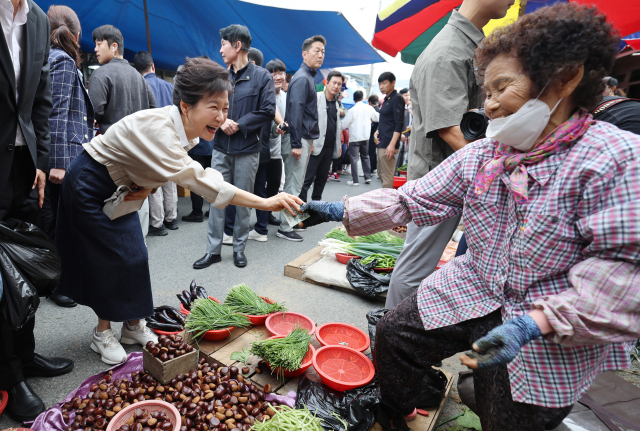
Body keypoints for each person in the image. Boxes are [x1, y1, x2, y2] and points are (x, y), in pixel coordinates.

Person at [300, 4, 640, 429]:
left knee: (507, 411)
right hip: (475, 285)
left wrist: (531, 325)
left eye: (502, 88)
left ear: (566, 78)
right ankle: (396, 409)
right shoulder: (485, 154)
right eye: (487, 92)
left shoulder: (615, 158)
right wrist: (337, 209)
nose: (491, 106)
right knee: (394, 333)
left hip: (548, 324)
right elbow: (414, 199)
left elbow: (623, 274)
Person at [55, 57, 301, 366]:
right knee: (110, 258)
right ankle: (102, 334)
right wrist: (264, 202)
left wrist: (149, 186)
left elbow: (168, 168)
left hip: (124, 188)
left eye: (225, 108)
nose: (221, 116)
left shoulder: (185, 129)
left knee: (136, 255)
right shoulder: (163, 130)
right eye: (213, 107)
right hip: (90, 184)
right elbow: (200, 181)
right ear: (186, 105)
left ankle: (133, 325)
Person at [386, 0, 511, 310]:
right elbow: (452, 130)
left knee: (420, 264)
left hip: (453, 180)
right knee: (416, 267)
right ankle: (390, 342)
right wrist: (499, 175)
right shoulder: (446, 53)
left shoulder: (470, 47)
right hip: (438, 183)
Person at [0, 0, 74, 421]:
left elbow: (40, 101)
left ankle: (24, 356)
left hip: (26, 169)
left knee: (25, 266)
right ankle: (9, 374)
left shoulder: (40, 20)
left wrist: (43, 162)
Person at [194, 25, 275, 269]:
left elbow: (268, 111)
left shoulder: (262, 76)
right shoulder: (219, 77)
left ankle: (239, 249)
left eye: (223, 44)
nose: (220, 50)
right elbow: (207, 105)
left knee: (242, 201)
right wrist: (222, 120)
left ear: (237, 45)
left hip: (248, 149)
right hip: (220, 148)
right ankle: (213, 251)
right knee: (216, 199)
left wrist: (239, 125)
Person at [39, 5, 95, 308]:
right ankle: (57, 284)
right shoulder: (61, 60)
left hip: (60, 153)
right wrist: (59, 162)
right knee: (60, 224)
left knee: (57, 221)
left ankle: (57, 281)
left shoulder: (51, 57)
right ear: (77, 35)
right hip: (62, 157)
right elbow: (56, 112)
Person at [89, 25, 157, 237]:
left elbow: (91, 115)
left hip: (112, 156)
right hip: (139, 155)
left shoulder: (101, 75)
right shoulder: (139, 77)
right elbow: (154, 112)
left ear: (114, 46)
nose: (95, 49)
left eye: (99, 44)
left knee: (113, 215)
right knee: (137, 205)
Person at [278, 35, 326, 242]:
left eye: (323, 51)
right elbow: (295, 114)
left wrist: (309, 140)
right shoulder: (301, 78)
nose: (321, 55)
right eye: (317, 50)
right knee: (293, 184)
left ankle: (290, 220)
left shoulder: (307, 77)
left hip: (303, 138)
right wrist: (297, 143)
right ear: (304, 54)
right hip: (297, 139)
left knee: (295, 183)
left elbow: (305, 114)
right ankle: (284, 226)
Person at [133, 51, 178, 236]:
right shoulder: (169, 86)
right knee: (170, 181)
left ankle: (158, 224)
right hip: (171, 138)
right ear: (153, 66)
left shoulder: (140, 86)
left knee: (154, 182)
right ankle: (172, 218)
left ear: (137, 70)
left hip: (151, 141)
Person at [248, 59, 288, 240]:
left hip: (277, 151)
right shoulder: (263, 95)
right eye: (273, 73)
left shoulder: (287, 97)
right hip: (263, 149)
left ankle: (267, 216)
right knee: (259, 188)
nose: (277, 77)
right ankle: (260, 223)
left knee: (273, 186)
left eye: (280, 73)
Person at [299, 70, 343, 201]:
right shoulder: (316, 98)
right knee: (306, 179)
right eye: (334, 83)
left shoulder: (336, 103)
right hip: (315, 145)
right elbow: (305, 119)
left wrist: (338, 145)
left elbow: (336, 126)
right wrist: (309, 140)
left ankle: (315, 208)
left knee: (322, 179)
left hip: (329, 147)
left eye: (339, 84)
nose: (336, 86)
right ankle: (301, 209)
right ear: (327, 82)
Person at [340, 90, 380, 186]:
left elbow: (343, 125)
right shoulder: (368, 108)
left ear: (354, 99)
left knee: (354, 158)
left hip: (354, 137)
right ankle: (367, 177)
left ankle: (355, 180)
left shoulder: (352, 110)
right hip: (365, 136)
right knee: (365, 156)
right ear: (363, 98)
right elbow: (377, 118)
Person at [375, 72, 404, 188]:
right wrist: (377, 132)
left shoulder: (397, 98)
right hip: (382, 141)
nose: (381, 86)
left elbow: (399, 123)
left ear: (393, 83)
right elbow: (386, 121)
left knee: (387, 178)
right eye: (380, 84)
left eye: (384, 83)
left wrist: (392, 144)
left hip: (388, 143)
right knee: (381, 173)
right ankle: (387, 200)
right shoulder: (387, 99)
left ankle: (388, 203)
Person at [396, 88, 412, 168]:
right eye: (405, 95)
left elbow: (407, 123)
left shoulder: (407, 109)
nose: (408, 97)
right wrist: (400, 134)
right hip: (398, 136)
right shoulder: (398, 108)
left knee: (401, 155)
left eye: (408, 95)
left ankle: (397, 173)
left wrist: (408, 134)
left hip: (404, 136)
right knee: (397, 155)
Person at [368, 94, 380, 174]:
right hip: (377, 134)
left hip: (373, 134)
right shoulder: (378, 109)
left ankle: (371, 169)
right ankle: (374, 167)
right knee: (373, 152)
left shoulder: (373, 110)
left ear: (370, 102)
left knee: (371, 151)